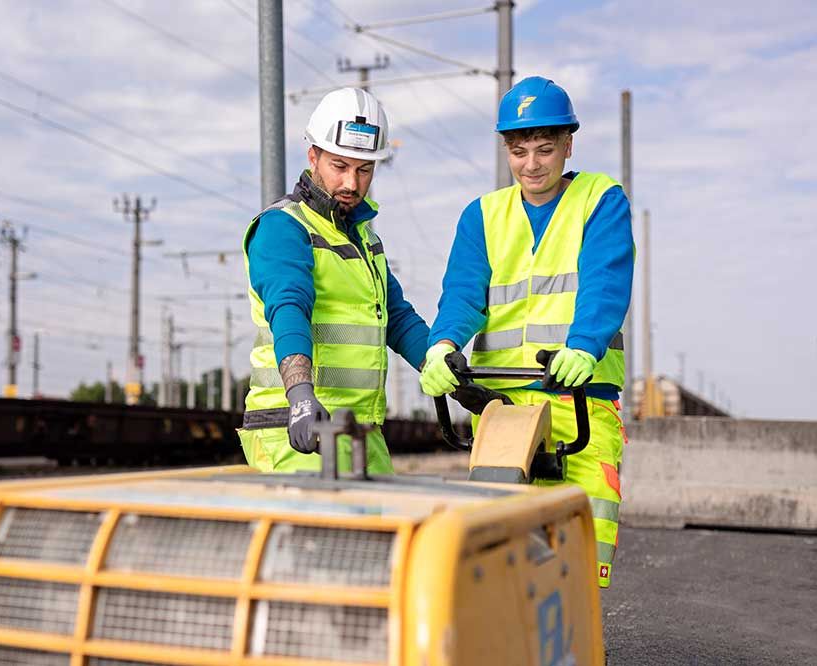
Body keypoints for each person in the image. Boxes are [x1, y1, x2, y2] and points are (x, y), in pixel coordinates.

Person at [419, 76, 634, 588]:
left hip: (581, 396)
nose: (532, 164)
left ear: (568, 145)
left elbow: (604, 281)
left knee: (580, 549)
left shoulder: (599, 200)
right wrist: (442, 344)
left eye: (544, 149)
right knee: (501, 557)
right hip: (502, 406)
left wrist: (584, 346)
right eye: (519, 151)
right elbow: (464, 294)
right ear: (506, 150)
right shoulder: (483, 217)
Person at [239, 87, 429, 474]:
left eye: (364, 170)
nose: (351, 184)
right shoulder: (283, 227)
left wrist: (447, 371)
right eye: (339, 166)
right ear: (314, 157)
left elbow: (399, 318)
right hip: (296, 428)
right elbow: (288, 306)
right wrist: (300, 395)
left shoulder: (364, 239)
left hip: (359, 430)